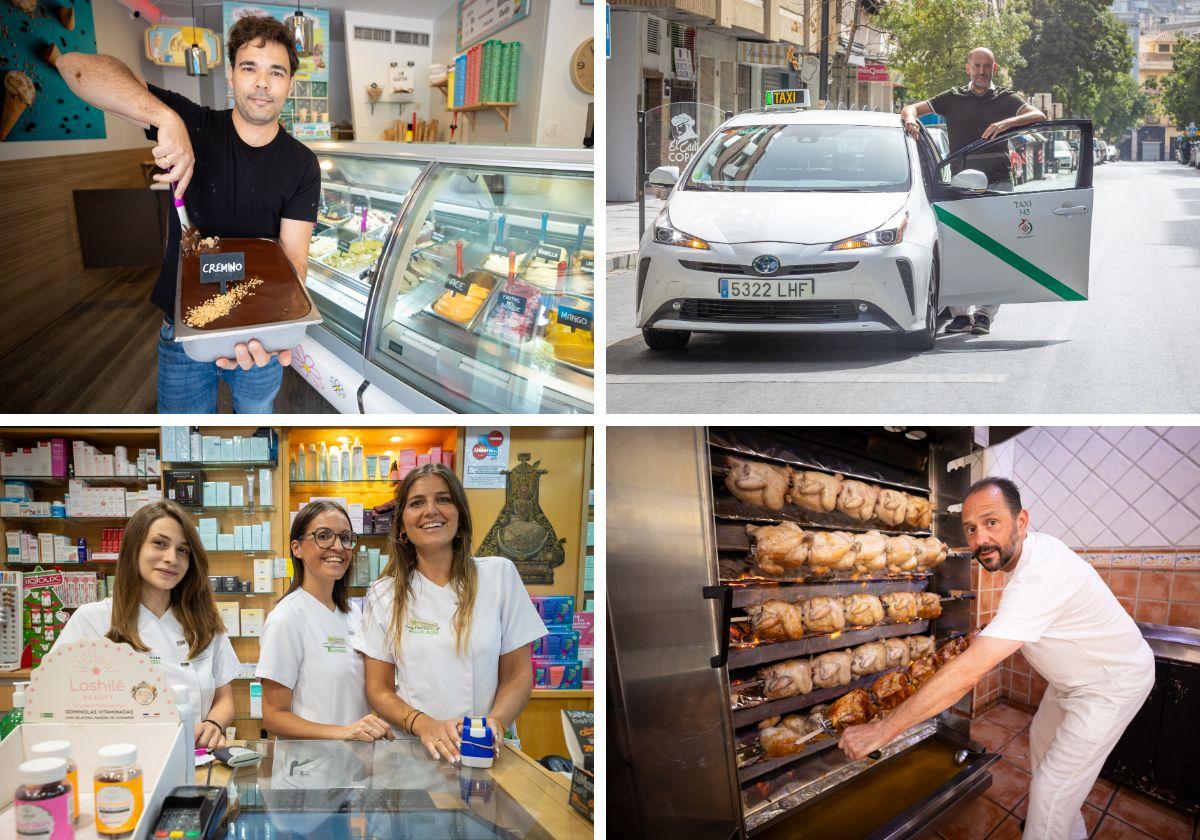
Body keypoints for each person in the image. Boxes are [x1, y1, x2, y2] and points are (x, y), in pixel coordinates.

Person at [838, 477, 1154, 840]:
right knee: (1045, 745)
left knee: (1051, 792)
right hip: (1075, 680)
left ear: (1021, 522)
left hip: (1111, 684)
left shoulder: (1040, 572)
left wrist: (881, 730)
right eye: (971, 529)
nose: (980, 539)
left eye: (992, 523)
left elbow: (969, 673)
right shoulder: (1029, 556)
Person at [57, 14, 319, 412]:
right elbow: (74, 67)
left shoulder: (302, 164)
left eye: (276, 72)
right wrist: (166, 119)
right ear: (231, 76)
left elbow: (293, 257)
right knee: (185, 439)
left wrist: (274, 330)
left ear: (289, 85)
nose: (262, 82)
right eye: (249, 68)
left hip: (259, 335)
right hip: (185, 331)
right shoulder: (193, 124)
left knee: (253, 428)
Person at [356, 463, 548, 763]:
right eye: (417, 503)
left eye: (443, 499)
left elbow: (518, 674)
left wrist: (493, 725)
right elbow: (378, 689)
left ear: (460, 515)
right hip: (417, 754)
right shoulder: (385, 593)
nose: (431, 510)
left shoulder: (499, 576)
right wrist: (424, 725)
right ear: (402, 525)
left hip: (488, 751)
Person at [53, 501, 240, 749]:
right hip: (118, 763)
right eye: (159, 543)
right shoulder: (92, 621)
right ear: (134, 547)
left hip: (194, 759)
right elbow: (55, 699)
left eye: (183, 550)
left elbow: (224, 699)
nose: (172, 558)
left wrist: (214, 725)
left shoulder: (204, 622)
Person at [900, 47, 1047, 337]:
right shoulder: (953, 97)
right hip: (962, 184)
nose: (982, 71)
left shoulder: (1005, 98)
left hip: (998, 183)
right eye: (977, 66)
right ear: (968, 68)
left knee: (997, 253)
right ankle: (960, 314)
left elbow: (1038, 115)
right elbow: (911, 108)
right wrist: (909, 120)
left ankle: (984, 315)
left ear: (994, 68)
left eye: (987, 67)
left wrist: (1007, 122)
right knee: (958, 250)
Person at [256, 500, 391, 742]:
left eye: (345, 537)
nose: (338, 546)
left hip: (354, 765)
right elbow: (274, 716)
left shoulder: (353, 614)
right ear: (297, 548)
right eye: (324, 536)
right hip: (309, 770)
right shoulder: (286, 618)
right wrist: (342, 733)